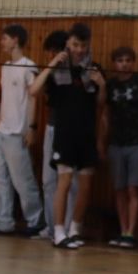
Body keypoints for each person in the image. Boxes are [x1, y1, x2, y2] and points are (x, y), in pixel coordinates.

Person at [30, 22, 103, 247]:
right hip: (64, 133)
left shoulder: (93, 68)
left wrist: (102, 85)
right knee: (64, 180)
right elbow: (33, 90)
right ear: (68, 44)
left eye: (83, 45)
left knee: (85, 184)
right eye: (75, 45)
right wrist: (52, 64)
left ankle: (74, 229)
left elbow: (101, 103)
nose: (79, 49)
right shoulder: (58, 70)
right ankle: (59, 231)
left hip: (86, 133)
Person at [0, 24, 44, 237]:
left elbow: (33, 98)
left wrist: (31, 128)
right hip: (2, 132)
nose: (1, 42)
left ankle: (35, 221)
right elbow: (5, 100)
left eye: (5, 38)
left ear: (16, 40)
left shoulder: (28, 66)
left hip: (17, 132)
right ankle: (3, 222)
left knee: (22, 180)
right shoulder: (5, 67)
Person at [101, 45, 138, 249]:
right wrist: (102, 141)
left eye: (128, 60)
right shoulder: (110, 85)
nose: (124, 64)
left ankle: (131, 232)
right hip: (116, 142)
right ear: (114, 63)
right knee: (119, 189)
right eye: (120, 60)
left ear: (133, 62)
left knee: (134, 188)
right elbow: (105, 113)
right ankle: (123, 229)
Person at [36, 31, 81, 239]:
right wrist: (52, 64)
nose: (51, 55)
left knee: (70, 181)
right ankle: (51, 226)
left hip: (72, 131)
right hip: (52, 129)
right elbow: (34, 90)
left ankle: (68, 227)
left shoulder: (79, 72)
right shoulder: (51, 73)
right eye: (50, 52)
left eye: (55, 51)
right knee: (48, 181)